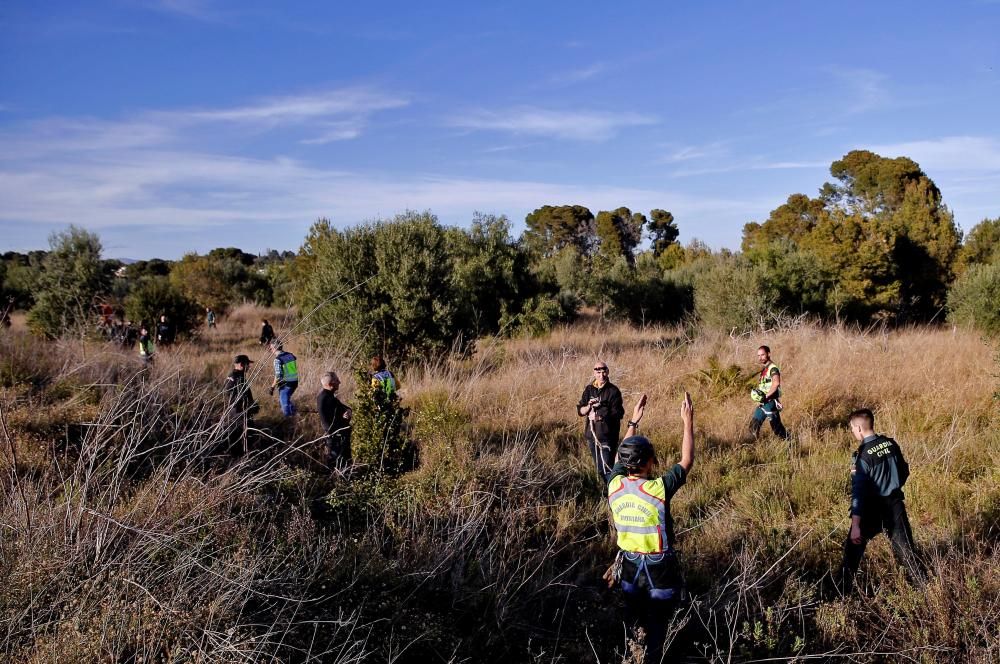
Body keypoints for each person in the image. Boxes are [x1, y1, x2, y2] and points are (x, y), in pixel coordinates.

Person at [606, 392, 695, 662]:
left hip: (630, 567)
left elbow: (619, 460)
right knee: (659, 622)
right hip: (660, 566)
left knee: (634, 615)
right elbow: (686, 460)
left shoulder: (614, 485)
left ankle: (631, 651)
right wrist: (687, 422)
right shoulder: (658, 489)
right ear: (650, 462)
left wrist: (633, 421)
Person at [839, 408, 922, 593]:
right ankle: (925, 589)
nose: (852, 432)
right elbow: (904, 471)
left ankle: (839, 593)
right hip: (895, 506)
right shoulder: (891, 444)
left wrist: (855, 526)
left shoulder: (862, 457)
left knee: (852, 555)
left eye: (852, 428)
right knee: (907, 553)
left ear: (859, 428)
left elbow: (858, 494)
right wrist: (891, 485)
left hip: (871, 510)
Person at [577, 361, 625, 481]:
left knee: (607, 468)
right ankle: (610, 492)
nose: (601, 375)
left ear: (608, 372)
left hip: (607, 437)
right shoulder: (589, 390)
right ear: (594, 373)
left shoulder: (613, 391)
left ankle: (615, 494)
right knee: (600, 469)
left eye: (604, 372)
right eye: (598, 372)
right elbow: (580, 410)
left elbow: (618, 413)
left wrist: (599, 416)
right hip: (592, 437)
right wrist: (588, 407)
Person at [749, 345, 790, 440]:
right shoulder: (765, 369)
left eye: (762, 355)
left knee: (778, 431)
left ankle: (792, 446)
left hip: (770, 403)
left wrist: (766, 397)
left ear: (768, 354)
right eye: (758, 355)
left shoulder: (773, 368)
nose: (760, 357)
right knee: (753, 427)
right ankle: (758, 448)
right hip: (764, 403)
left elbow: (776, 383)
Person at [223, 354, 259, 455]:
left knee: (238, 438)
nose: (249, 367)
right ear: (242, 365)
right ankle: (243, 460)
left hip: (235, 412)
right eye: (248, 364)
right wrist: (249, 406)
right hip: (239, 413)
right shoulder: (238, 378)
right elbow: (234, 396)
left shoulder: (233, 376)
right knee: (245, 439)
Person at [317, 371, 353, 470]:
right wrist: (337, 433)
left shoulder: (329, 396)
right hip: (336, 439)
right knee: (336, 464)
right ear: (330, 384)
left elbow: (345, 408)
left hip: (338, 437)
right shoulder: (325, 398)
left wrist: (347, 412)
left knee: (342, 463)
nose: (339, 382)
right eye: (337, 380)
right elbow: (326, 422)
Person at [269, 341, 299, 416]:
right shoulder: (290, 355)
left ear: (275, 348)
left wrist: (272, 387)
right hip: (294, 382)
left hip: (286, 385)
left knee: (284, 405)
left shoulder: (278, 360)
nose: (270, 350)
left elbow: (278, 375)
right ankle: (295, 415)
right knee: (287, 401)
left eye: (270, 348)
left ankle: (289, 422)